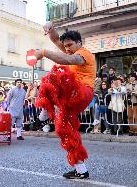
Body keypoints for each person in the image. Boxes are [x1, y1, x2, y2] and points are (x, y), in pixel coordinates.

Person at [33, 21, 96, 179]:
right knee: (64, 130)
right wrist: (50, 30)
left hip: (82, 92)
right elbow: (55, 40)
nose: (67, 49)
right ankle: (81, 169)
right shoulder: (70, 51)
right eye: (65, 46)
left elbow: (67, 61)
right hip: (71, 97)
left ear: (79, 43)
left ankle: (46, 110)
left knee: (56, 74)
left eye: (69, 45)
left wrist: (44, 52)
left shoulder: (84, 54)